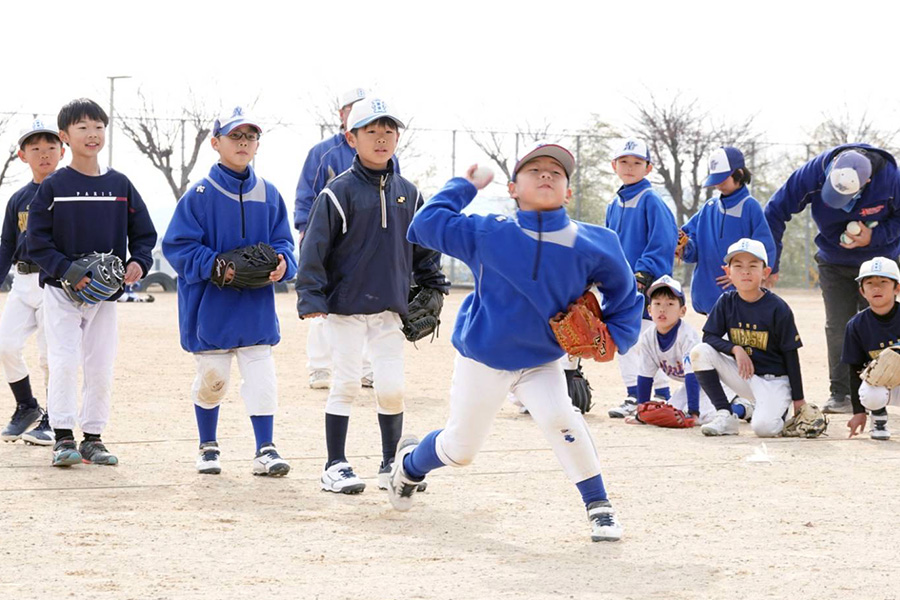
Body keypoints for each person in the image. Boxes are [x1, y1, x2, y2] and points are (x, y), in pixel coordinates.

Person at [385, 142, 644, 543]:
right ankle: (410, 465)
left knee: (562, 418)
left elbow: (625, 296)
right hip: (484, 358)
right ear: (512, 189)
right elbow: (424, 225)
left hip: (542, 361)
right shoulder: (488, 233)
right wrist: (464, 187)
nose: (546, 175)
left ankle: (599, 507)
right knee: (461, 448)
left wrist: (618, 337)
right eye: (534, 170)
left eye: (556, 173)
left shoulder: (596, 243)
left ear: (568, 192)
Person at [296, 97, 449, 494]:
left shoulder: (409, 192)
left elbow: (423, 247)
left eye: (389, 130)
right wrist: (311, 297)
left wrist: (433, 285)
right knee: (345, 383)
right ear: (352, 137)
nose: (381, 138)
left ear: (398, 137)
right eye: (371, 130)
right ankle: (335, 465)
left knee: (391, 387)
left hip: (389, 309)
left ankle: (389, 463)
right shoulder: (338, 191)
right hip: (345, 307)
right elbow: (314, 247)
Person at [163, 107, 296, 476]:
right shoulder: (200, 195)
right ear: (215, 142)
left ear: (256, 144)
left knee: (263, 381)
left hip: (255, 308)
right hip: (212, 308)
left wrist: (285, 262)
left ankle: (265, 449)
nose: (243, 143)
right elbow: (178, 245)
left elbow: (283, 241)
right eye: (235, 136)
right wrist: (214, 265)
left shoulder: (268, 193)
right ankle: (208, 446)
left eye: (250, 137)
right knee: (213, 380)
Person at [27, 98, 157, 466]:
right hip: (61, 292)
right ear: (65, 136)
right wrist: (71, 272)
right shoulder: (54, 186)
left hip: (106, 296)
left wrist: (139, 263)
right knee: (65, 361)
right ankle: (63, 437)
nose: (92, 134)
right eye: (82, 127)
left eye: (98, 126)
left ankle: (94, 438)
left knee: (100, 363)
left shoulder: (120, 184)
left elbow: (144, 234)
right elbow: (36, 241)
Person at [765, 144, 900, 414]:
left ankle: (885, 391)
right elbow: (774, 212)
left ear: (867, 182)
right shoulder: (811, 174)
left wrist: (874, 236)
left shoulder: (890, 179)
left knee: (883, 325)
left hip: (878, 264)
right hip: (833, 260)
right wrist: (772, 262)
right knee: (839, 326)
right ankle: (841, 394)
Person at [295, 88, 399, 390]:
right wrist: (305, 228)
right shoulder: (323, 152)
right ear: (343, 114)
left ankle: (365, 368)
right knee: (324, 304)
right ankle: (319, 367)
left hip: (369, 242)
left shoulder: (384, 152)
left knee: (370, 303)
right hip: (329, 241)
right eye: (352, 107)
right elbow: (306, 194)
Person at [690, 239, 808, 437]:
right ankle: (725, 415)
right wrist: (735, 349)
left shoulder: (777, 308)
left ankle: (779, 410)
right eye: (738, 266)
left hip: (775, 381)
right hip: (745, 376)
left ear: (765, 272)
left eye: (753, 265)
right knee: (700, 352)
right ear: (728, 272)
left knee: (763, 429)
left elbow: (790, 354)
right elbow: (709, 336)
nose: (745, 271)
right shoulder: (726, 302)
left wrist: (799, 399)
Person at [0, 120, 64, 445]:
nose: (44, 154)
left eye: (51, 147)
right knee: (5, 344)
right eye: (35, 148)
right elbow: (7, 245)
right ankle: (27, 407)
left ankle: (54, 421)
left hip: (52, 281)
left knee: (49, 355)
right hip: (22, 281)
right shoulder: (18, 199)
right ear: (22, 156)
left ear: (63, 150)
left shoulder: (69, 193)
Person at [605, 138, 676, 419]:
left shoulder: (651, 200)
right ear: (614, 166)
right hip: (618, 284)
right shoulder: (614, 203)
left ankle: (656, 395)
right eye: (624, 162)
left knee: (643, 341)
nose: (630, 167)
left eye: (637, 162)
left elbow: (663, 241)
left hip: (644, 285)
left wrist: (643, 274)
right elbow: (608, 244)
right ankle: (637, 394)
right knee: (624, 340)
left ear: (648, 168)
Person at [678, 147, 776, 315]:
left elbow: (765, 250)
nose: (718, 184)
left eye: (723, 178)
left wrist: (741, 275)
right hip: (707, 295)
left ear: (739, 173)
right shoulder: (708, 208)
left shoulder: (749, 206)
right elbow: (692, 247)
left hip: (737, 298)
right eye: (715, 179)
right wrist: (683, 247)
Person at [630, 276, 717, 425]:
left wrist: (693, 413)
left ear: (682, 311)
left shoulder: (687, 336)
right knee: (672, 411)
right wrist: (642, 413)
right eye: (657, 303)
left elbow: (693, 376)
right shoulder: (648, 338)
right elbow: (645, 377)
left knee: (707, 416)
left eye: (670, 304)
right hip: (693, 386)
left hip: (716, 380)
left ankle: (743, 406)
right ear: (649, 310)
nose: (662, 309)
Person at [842, 257, 900, 440]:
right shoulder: (856, 325)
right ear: (862, 291)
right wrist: (858, 412)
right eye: (870, 283)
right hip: (879, 385)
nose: (876, 288)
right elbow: (854, 368)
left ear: (897, 288)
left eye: (884, 282)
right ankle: (879, 417)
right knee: (869, 393)